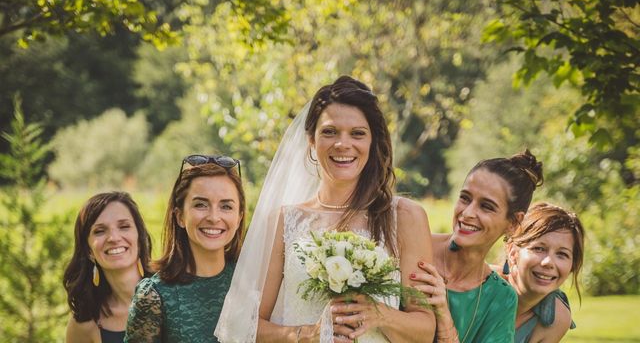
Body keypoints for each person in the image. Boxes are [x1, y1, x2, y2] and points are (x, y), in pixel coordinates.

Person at [216, 75, 435, 343]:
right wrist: (307, 334)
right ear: (311, 140)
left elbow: (425, 330)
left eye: (357, 133)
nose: (343, 144)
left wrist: (379, 314)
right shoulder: (285, 221)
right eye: (330, 132)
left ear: (372, 142)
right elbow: (243, 327)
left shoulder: (405, 217)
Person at [412, 150, 544, 342]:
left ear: (514, 223)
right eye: (465, 198)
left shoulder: (500, 298)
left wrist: (444, 319)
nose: (467, 213)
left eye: (487, 206)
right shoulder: (415, 246)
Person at [124, 156, 245, 343]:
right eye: (200, 205)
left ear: (238, 218)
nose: (214, 217)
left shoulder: (253, 283)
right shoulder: (153, 295)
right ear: (180, 216)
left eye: (226, 206)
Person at [64, 191, 153, 343]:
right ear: (89, 251)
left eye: (124, 226)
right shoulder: (84, 325)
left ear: (139, 239)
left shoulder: (174, 293)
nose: (114, 238)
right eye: (100, 231)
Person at [506, 202, 585, 343]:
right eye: (539, 249)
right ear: (513, 253)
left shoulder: (558, 319)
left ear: (572, 265)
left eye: (562, 254)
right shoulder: (479, 287)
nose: (548, 262)